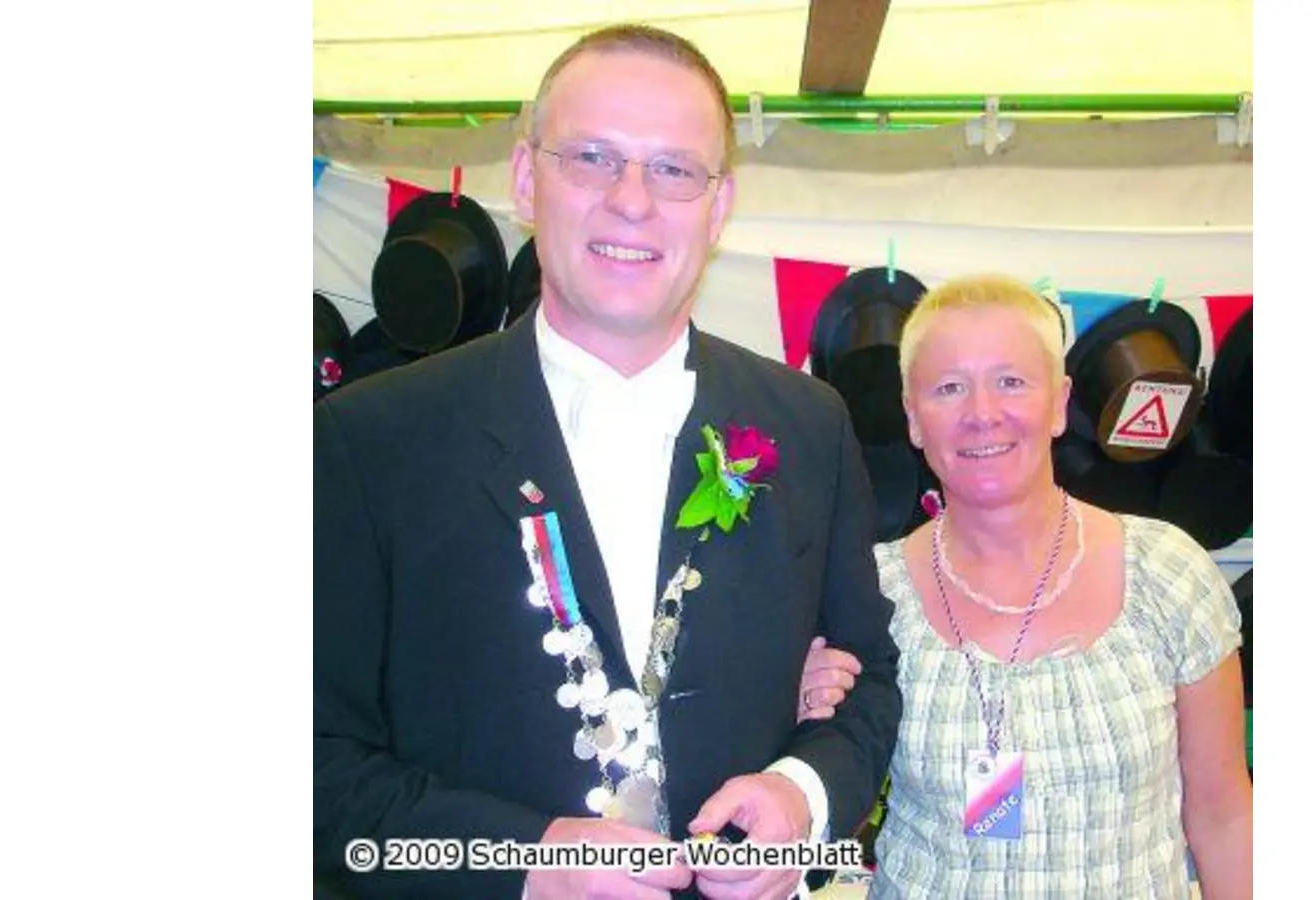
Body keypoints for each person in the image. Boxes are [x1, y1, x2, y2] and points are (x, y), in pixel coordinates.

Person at [314, 25, 902, 900]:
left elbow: (866, 678)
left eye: (673, 169)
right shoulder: (369, 439)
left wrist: (802, 798)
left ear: (719, 202)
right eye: (591, 157)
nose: (633, 200)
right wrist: (513, 860)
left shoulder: (808, 424)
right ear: (525, 179)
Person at [803, 275, 1252, 898]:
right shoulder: (868, 594)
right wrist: (804, 720)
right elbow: (827, 832)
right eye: (949, 387)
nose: (982, 413)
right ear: (912, 417)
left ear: (1060, 402)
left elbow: (1224, 813)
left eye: (1011, 381)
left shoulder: (1165, 571)